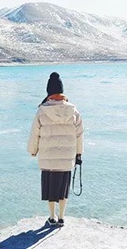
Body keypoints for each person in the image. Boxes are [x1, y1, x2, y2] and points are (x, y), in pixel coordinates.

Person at [27, 72, 84, 227]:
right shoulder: (73, 111)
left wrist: (33, 151)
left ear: (48, 92)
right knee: (63, 188)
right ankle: (62, 217)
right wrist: (79, 154)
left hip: (48, 158)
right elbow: (79, 135)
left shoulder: (42, 111)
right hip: (67, 159)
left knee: (51, 189)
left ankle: (52, 217)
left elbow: (34, 134)